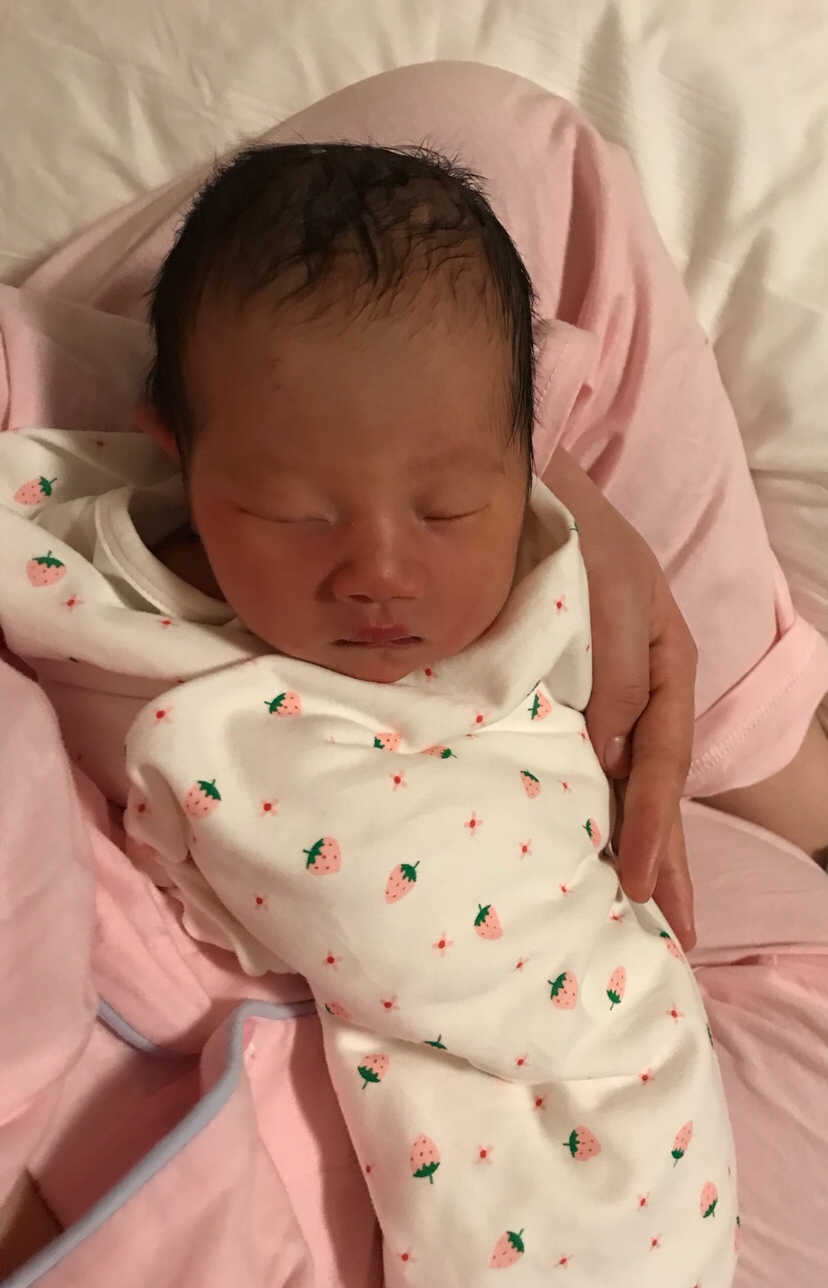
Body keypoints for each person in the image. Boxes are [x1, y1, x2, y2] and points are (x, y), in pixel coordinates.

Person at [0, 142, 737, 1287]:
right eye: (295, 514)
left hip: (591, 1022)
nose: (380, 574)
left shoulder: (548, 598)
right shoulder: (91, 581)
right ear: (177, 455)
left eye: (447, 509)